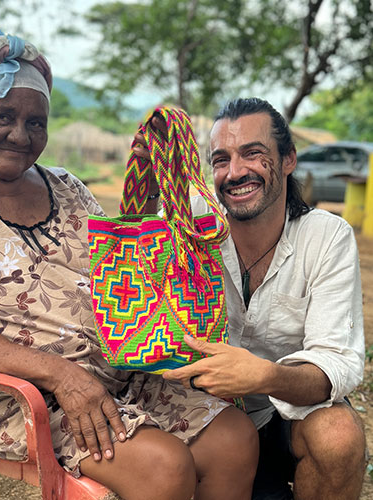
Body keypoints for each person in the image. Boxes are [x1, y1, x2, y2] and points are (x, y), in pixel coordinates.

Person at [0, 30, 259, 500]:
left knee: (234, 439)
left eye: (37, 122)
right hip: (20, 396)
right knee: (163, 467)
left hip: (121, 373)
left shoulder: (68, 187)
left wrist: (150, 192)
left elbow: (121, 270)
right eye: (2, 116)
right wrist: (62, 376)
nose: (21, 134)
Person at [139, 97, 365, 499]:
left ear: (289, 159)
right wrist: (154, 191)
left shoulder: (326, 237)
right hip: (202, 417)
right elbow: (135, 279)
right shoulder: (186, 225)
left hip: (284, 416)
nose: (235, 172)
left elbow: (338, 362)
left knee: (338, 435)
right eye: (221, 159)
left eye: (253, 154)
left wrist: (264, 375)